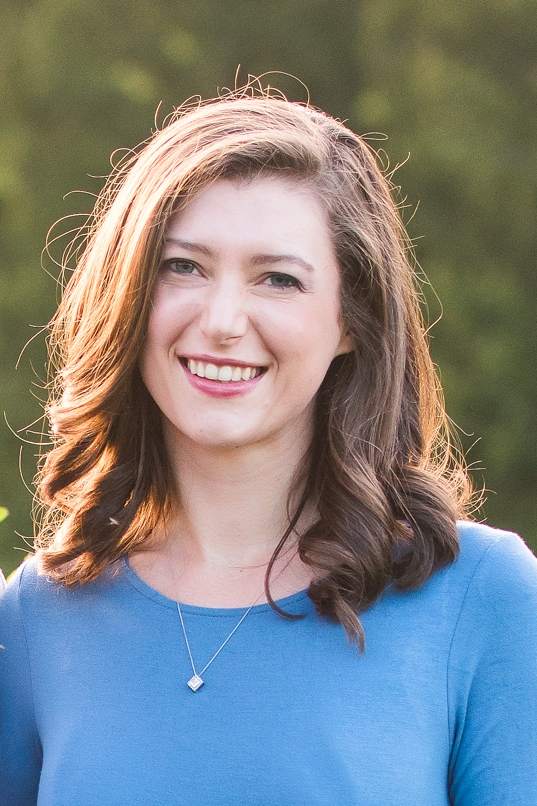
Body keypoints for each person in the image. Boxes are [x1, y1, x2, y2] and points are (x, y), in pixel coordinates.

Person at [1, 88, 536, 806]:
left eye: (277, 279)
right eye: (182, 266)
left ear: (351, 320)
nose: (222, 320)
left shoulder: (479, 597)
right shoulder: (35, 621)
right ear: (129, 294)